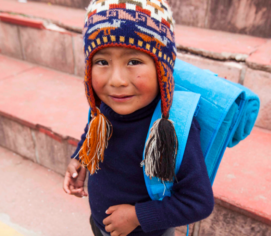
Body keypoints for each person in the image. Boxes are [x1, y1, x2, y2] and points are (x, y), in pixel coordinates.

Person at [63, 1, 214, 236]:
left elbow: (198, 202)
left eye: (133, 61)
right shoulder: (105, 105)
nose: (117, 80)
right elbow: (92, 129)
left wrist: (137, 216)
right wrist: (80, 159)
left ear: (162, 70)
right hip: (100, 225)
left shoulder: (173, 128)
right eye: (102, 62)